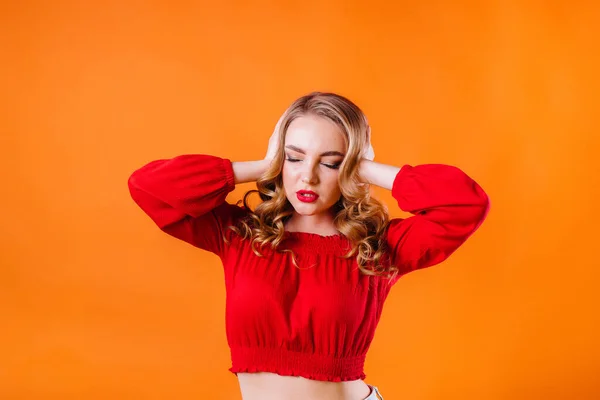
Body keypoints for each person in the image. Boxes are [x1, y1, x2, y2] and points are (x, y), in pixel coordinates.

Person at [128, 92, 490, 400]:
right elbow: (149, 187)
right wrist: (262, 166)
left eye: (331, 162)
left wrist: (366, 168)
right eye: (294, 157)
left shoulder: (379, 248)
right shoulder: (239, 234)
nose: (309, 176)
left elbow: (465, 204)